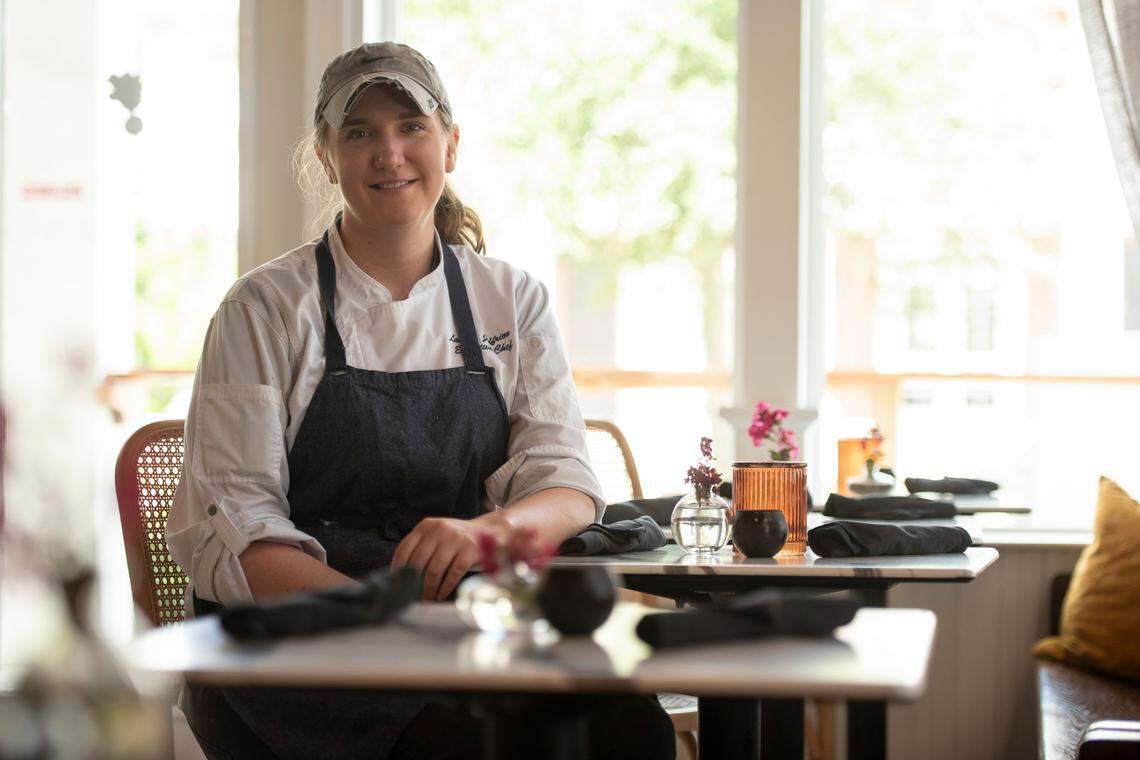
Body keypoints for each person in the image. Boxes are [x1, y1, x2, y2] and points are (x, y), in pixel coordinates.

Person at [166, 41, 675, 759]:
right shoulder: (264, 309)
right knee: (468, 743)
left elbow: (565, 481)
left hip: (467, 631)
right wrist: (388, 619)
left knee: (630, 728)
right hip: (306, 640)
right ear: (325, 157)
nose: (389, 153)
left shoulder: (511, 299)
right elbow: (240, 532)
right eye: (359, 132)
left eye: (410, 126)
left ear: (451, 144)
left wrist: (485, 535)